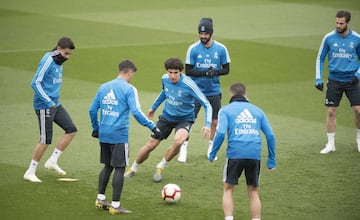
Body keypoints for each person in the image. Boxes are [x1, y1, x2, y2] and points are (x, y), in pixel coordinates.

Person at [124, 57, 212, 182]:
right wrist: (153, 108)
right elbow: (164, 93)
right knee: (151, 145)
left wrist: (207, 124)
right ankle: (133, 168)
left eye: (175, 73)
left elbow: (206, 104)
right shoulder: (164, 79)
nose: (172, 76)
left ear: (180, 72)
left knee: (178, 141)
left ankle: (161, 166)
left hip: (185, 119)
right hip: (166, 117)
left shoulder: (189, 85)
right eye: (170, 72)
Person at [89, 60, 159, 214]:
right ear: (130, 72)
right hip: (119, 134)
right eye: (133, 74)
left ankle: (100, 199)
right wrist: (152, 126)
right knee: (120, 168)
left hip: (104, 133)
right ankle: (115, 205)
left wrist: (96, 128)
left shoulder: (103, 87)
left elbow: (92, 110)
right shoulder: (129, 89)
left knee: (107, 166)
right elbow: (136, 112)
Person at [208, 82, 276, 220]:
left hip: (235, 153)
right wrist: (271, 159)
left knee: (228, 188)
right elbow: (270, 135)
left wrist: (213, 153)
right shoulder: (258, 111)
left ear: (231, 95)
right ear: (245, 94)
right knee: (253, 191)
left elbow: (220, 134)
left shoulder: (225, 110)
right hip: (254, 154)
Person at [23, 37, 77, 183]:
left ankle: (52, 161)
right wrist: (47, 101)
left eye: (69, 54)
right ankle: (30, 171)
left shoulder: (59, 60)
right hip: (44, 105)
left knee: (71, 129)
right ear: (58, 49)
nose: (68, 57)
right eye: (66, 53)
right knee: (45, 139)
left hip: (55, 103)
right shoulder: (48, 60)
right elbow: (35, 82)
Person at [178, 17, 231, 162]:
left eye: (205, 34)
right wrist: (204, 73)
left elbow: (226, 70)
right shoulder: (193, 49)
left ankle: (211, 149)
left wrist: (214, 72)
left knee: (215, 122)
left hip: (214, 91)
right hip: (195, 91)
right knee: (188, 120)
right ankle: (183, 148)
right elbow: (188, 71)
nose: (202, 37)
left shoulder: (221, 49)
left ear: (211, 33)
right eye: (201, 34)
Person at [315, 10, 360, 154]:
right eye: (337, 22)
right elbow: (320, 58)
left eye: (341, 23)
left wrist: (358, 74)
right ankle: (330, 144)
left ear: (348, 23)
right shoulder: (329, 38)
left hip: (352, 80)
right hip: (334, 80)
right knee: (331, 111)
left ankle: (359, 140)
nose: (338, 25)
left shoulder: (357, 39)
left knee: (359, 111)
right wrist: (318, 78)